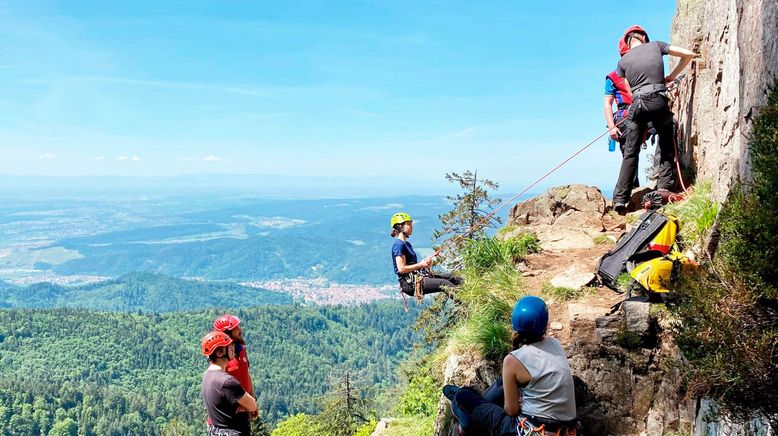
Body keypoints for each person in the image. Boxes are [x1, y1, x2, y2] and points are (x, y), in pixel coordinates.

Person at [443, 296, 577, 435]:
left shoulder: (513, 360)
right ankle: (472, 403)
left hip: (530, 430)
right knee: (503, 384)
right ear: (545, 324)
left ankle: (466, 419)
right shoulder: (555, 344)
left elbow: (511, 410)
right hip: (566, 431)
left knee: (463, 396)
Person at [611, 25, 697, 215]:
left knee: (631, 153)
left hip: (638, 105)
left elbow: (629, 90)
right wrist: (671, 77)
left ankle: (619, 199)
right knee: (666, 141)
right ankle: (664, 188)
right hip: (658, 99)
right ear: (643, 38)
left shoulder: (623, 61)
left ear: (627, 42)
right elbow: (688, 54)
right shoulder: (657, 46)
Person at [390, 212, 462, 302]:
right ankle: (467, 304)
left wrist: (425, 262)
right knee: (443, 283)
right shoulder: (398, 245)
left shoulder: (406, 244)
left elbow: (411, 264)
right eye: (409, 224)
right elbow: (401, 269)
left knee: (453, 277)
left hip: (415, 278)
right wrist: (421, 265)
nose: (412, 227)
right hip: (409, 284)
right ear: (400, 227)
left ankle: (472, 295)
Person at [201, 330, 258, 436]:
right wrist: (246, 403)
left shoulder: (207, 375)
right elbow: (252, 405)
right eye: (229, 346)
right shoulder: (228, 382)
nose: (233, 348)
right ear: (219, 352)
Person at [213, 314, 257, 411]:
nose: (240, 330)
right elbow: (220, 386)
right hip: (231, 411)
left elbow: (246, 374)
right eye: (236, 328)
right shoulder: (221, 358)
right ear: (227, 333)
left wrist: (252, 399)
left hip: (245, 407)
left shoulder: (241, 350)